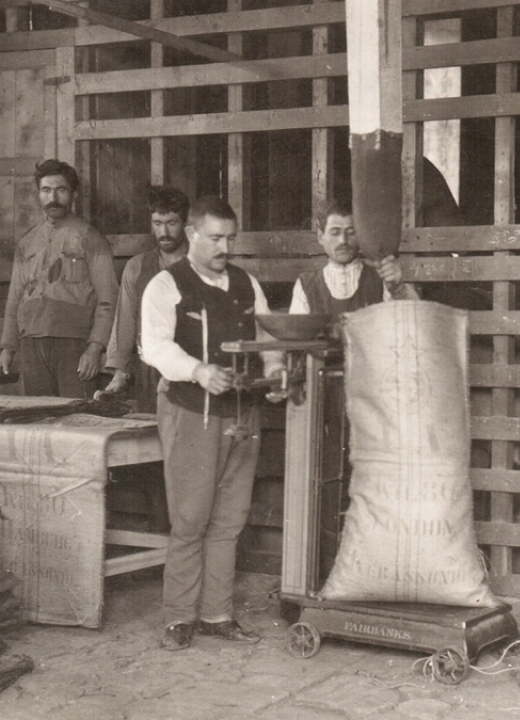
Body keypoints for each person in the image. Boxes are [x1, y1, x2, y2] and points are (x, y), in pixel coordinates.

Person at [140, 195, 285, 651]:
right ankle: (179, 618)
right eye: (217, 238)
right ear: (192, 235)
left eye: (231, 238)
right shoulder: (166, 285)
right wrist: (199, 370)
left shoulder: (246, 284)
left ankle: (216, 614)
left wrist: (277, 371)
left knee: (229, 520)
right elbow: (154, 347)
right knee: (190, 518)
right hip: (192, 413)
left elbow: (268, 339)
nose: (226, 247)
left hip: (243, 414)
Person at [0, 159, 119, 398]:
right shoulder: (27, 242)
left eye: (61, 190)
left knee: (76, 418)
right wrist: (8, 348)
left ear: (73, 194)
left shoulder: (91, 239)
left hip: (74, 346)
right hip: (31, 344)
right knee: (37, 417)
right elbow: (14, 299)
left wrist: (95, 348)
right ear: (38, 194)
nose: (53, 198)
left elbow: (108, 299)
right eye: (46, 190)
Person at [103, 185, 191, 413]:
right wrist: (119, 372)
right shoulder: (137, 267)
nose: (164, 232)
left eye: (172, 223)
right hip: (149, 371)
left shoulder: (199, 265)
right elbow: (125, 322)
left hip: (191, 367)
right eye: (157, 224)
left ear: (185, 224)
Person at [288, 199, 417, 315]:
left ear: (361, 236)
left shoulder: (381, 279)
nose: (343, 240)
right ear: (321, 237)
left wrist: (398, 288)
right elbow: (298, 337)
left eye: (351, 232)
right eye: (335, 233)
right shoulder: (306, 285)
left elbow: (412, 321)